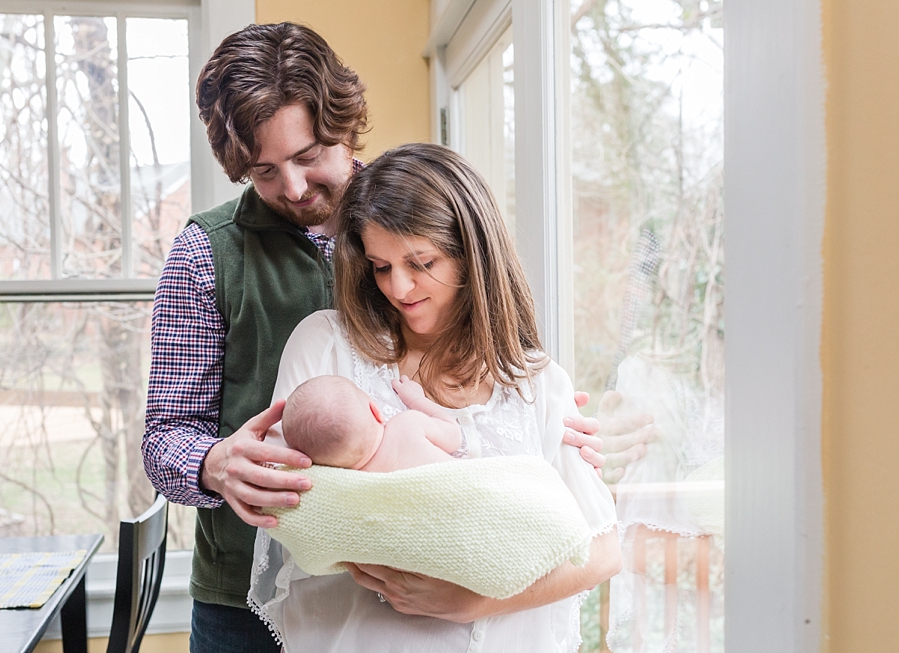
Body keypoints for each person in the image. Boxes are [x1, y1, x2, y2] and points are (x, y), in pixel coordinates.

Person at [140, 22, 610, 652]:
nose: (295, 188)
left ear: (344, 125)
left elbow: (505, 373)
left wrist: (556, 437)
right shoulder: (207, 252)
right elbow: (164, 435)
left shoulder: (416, 211)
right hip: (243, 587)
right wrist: (213, 464)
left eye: (308, 157)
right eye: (265, 171)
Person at [249, 143, 622, 652]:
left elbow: (601, 550)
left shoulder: (535, 383)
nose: (398, 287)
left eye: (420, 262)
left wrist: (476, 601)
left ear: (472, 255)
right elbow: (285, 503)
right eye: (380, 266)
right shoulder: (327, 346)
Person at [281, 374, 461, 471]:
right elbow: (454, 436)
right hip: (470, 493)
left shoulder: (357, 483)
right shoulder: (408, 424)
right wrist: (415, 399)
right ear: (375, 411)